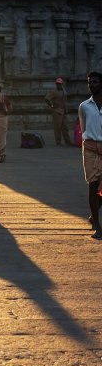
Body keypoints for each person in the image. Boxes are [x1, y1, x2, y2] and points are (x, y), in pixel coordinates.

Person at [78, 71, 102, 240]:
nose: (91, 85)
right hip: (91, 148)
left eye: (94, 82)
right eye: (89, 82)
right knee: (93, 186)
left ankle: (95, 212)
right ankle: (97, 226)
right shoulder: (84, 106)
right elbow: (84, 127)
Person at [45, 77, 72, 146]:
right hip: (56, 111)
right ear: (56, 84)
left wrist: (66, 109)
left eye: (60, 84)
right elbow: (46, 98)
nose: (58, 85)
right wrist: (51, 105)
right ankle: (58, 142)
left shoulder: (64, 91)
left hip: (63, 111)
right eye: (57, 84)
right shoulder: (54, 92)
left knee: (65, 127)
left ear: (62, 84)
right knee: (57, 128)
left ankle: (68, 141)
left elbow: (64, 101)